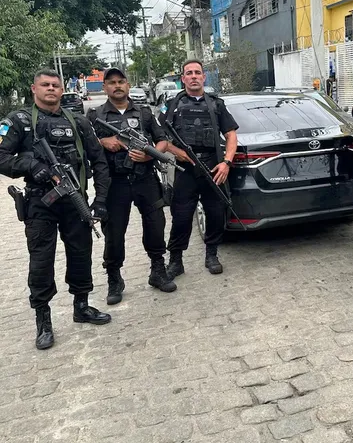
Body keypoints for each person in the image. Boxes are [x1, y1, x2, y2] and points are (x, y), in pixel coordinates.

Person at [0, 69, 111, 350]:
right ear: (33, 88)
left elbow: (99, 162)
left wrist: (100, 201)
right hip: (40, 203)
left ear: (62, 90)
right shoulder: (19, 121)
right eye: (45, 85)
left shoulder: (78, 122)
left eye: (55, 85)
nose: (51, 89)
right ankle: (43, 319)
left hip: (75, 200)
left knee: (81, 253)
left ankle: (82, 305)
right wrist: (32, 166)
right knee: (41, 261)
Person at [87, 68, 175, 304]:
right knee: (114, 232)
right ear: (105, 87)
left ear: (128, 85)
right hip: (114, 182)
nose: (117, 86)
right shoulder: (95, 115)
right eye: (112, 82)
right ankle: (114, 278)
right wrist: (102, 141)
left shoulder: (144, 113)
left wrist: (150, 155)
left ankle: (158, 271)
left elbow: (163, 140)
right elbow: (83, 143)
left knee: (156, 225)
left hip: (145, 178)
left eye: (121, 82)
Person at [159, 59, 238, 278]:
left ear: (204, 77)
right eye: (189, 73)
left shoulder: (216, 104)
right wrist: (177, 152)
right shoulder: (173, 105)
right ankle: (175, 260)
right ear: (182, 78)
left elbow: (231, 135)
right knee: (181, 216)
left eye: (197, 73)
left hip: (213, 166)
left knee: (214, 213)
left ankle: (211, 254)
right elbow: (161, 137)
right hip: (186, 168)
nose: (193, 76)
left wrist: (226, 163)